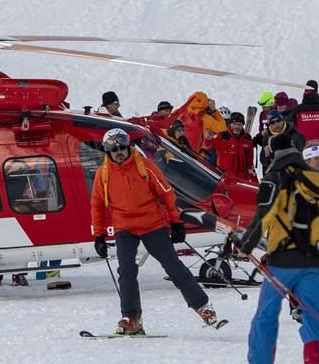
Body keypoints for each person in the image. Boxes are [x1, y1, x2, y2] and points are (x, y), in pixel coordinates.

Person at [91, 129, 221, 335]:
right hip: (124, 227)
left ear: (128, 146)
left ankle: (203, 307)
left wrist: (176, 222)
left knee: (173, 266)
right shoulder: (103, 174)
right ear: (108, 151)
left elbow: (167, 193)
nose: (119, 152)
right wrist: (99, 235)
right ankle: (131, 318)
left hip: (152, 224)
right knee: (126, 271)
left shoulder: (145, 166)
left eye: (122, 147)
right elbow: (97, 205)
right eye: (114, 149)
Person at [237, 131, 319, 364]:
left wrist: (246, 245)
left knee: (266, 314)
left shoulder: (273, 178)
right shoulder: (315, 177)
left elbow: (262, 215)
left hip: (284, 261)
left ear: (272, 151)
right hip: (316, 259)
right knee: (311, 314)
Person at [166, 91, 227, 159]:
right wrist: (214, 111)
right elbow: (223, 128)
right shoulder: (206, 119)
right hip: (195, 159)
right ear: (205, 105)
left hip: (174, 151)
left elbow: (166, 127)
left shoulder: (178, 112)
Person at [253, 110, 305, 176]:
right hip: (275, 175)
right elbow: (263, 161)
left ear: (283, 121)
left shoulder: (295, 135)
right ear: (269, 125)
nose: (276, 124)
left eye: (278, 120)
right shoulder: (267, 136)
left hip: (293, 174)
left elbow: (303, 158)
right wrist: (267, 155)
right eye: (272, 122)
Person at [216, 112, 257, 181]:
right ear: (230, 124)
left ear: (243, 125)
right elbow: (208, 146)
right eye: (234, 124)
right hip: (225, 179)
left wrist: (254, 181)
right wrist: (208, 138)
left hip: (242, 180)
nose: (237, 127)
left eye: (239, 124)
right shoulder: (221, 136)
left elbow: (250, 162)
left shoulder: (248, 139)